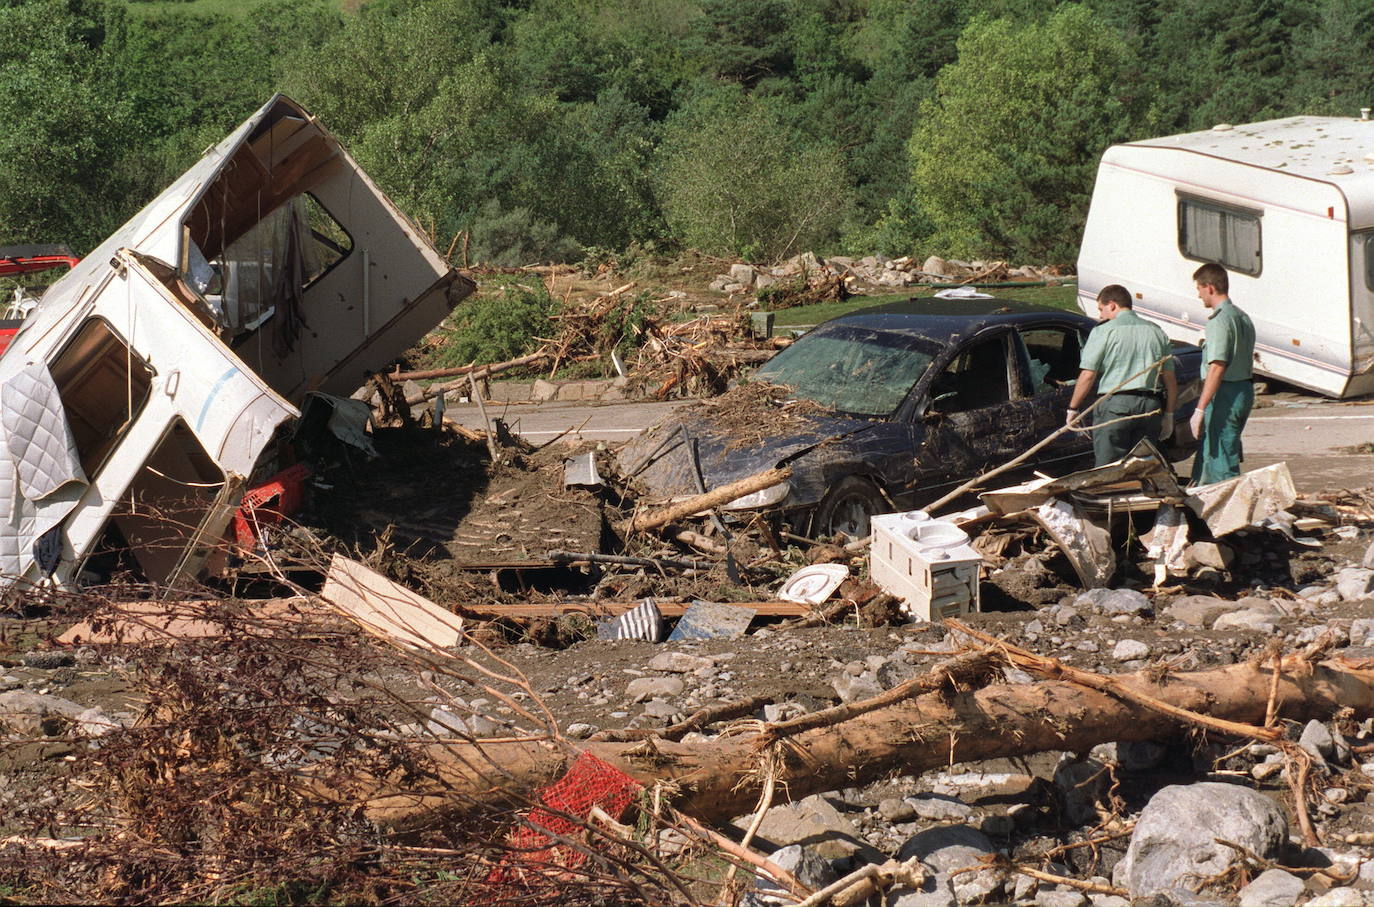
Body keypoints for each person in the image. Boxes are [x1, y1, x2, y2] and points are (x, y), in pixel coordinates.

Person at [1066, 284, 1178, 466]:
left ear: (1112, 305)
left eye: (1101, 309)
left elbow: (1088, 375)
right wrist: (1169, 415)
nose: (1101, 316)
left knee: (1109, 469)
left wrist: (1073, 408)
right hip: (1150, 407)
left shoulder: (1104, 331)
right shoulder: (1156, 331)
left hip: (1116, 408)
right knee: (1142, 468)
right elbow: (1170, 380)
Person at [1189, 262, 1256, 485]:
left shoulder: (1220, 321)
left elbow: (1217, 367)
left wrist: (1199, 408)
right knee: (1213, 454)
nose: (1199, 295)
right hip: (1242, 389)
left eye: (1198, 289)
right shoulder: (1242, 317)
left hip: (1225, 392)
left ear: (1209, 287)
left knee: (1220, 459)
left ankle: (1235, 515)